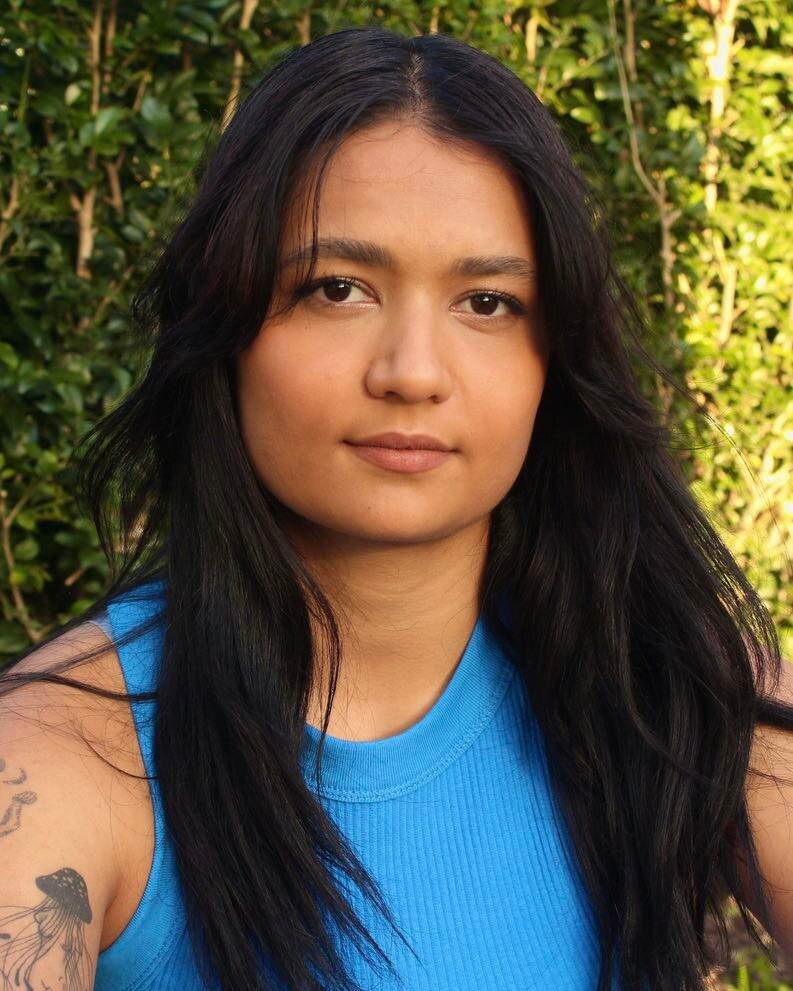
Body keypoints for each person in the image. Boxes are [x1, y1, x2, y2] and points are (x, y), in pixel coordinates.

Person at [0, 25, 791, 991]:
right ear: (226, 327)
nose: (412, 372)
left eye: (487, 302)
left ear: (555, 358)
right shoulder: (57, 761)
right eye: (337, 289)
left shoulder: (672, 688)